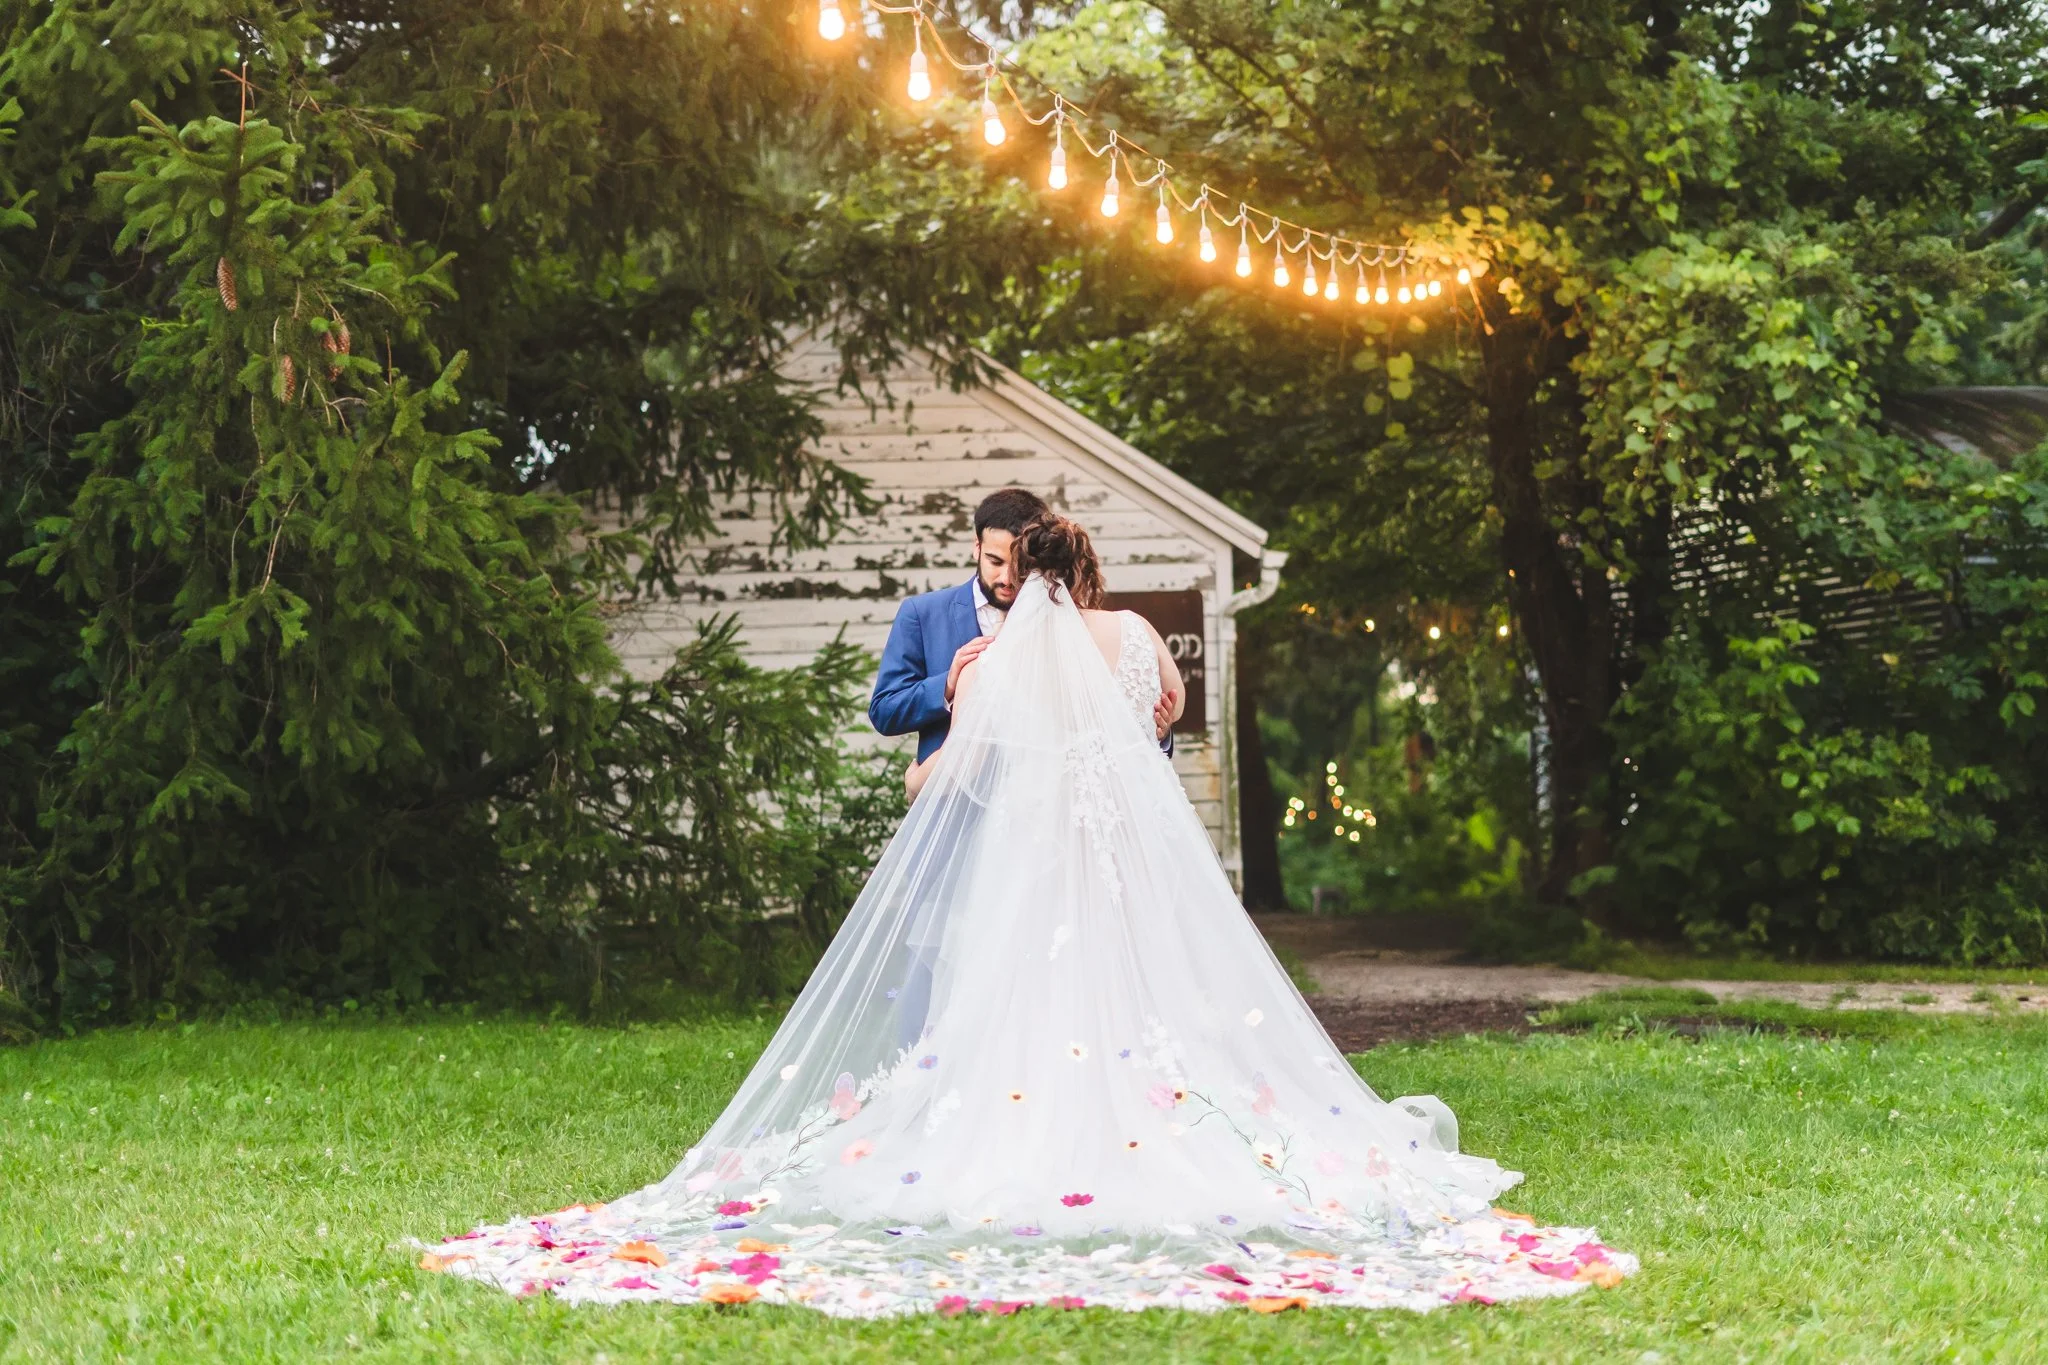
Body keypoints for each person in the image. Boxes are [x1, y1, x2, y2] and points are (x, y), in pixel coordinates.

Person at [421, 514, 1635, 1317]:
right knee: (1151, 993)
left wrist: (931, 777)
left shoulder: (995, 656)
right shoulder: (1132, 636)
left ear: (1022, 574)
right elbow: (1161, 717)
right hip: (1118, 856)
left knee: (1006, 995)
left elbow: (959, 763)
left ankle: (1010, 1127)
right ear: (1091, 570)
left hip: (1027, 856)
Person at [870, 487, 1174, 761]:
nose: (1006, 578)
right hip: (958, 805)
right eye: (995, 561)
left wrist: (1156, 731)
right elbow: (885, 711)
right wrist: (948, 684)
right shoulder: (923, 614)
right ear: (976, 547)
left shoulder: (1070, 618)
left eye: (1019, 566)